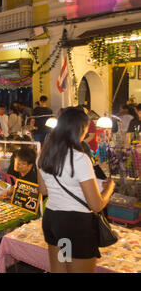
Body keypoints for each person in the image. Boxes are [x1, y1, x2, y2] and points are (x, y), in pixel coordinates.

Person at [37, 107, 115, 273]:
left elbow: (43, 190)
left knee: (60, 269)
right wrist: (109, 189)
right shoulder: (79, 158)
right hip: (75, 225)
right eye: (85, 131)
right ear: (79, 130)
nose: (85, 135)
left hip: (52, 220)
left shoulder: (44, 154)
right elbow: (96, 205)